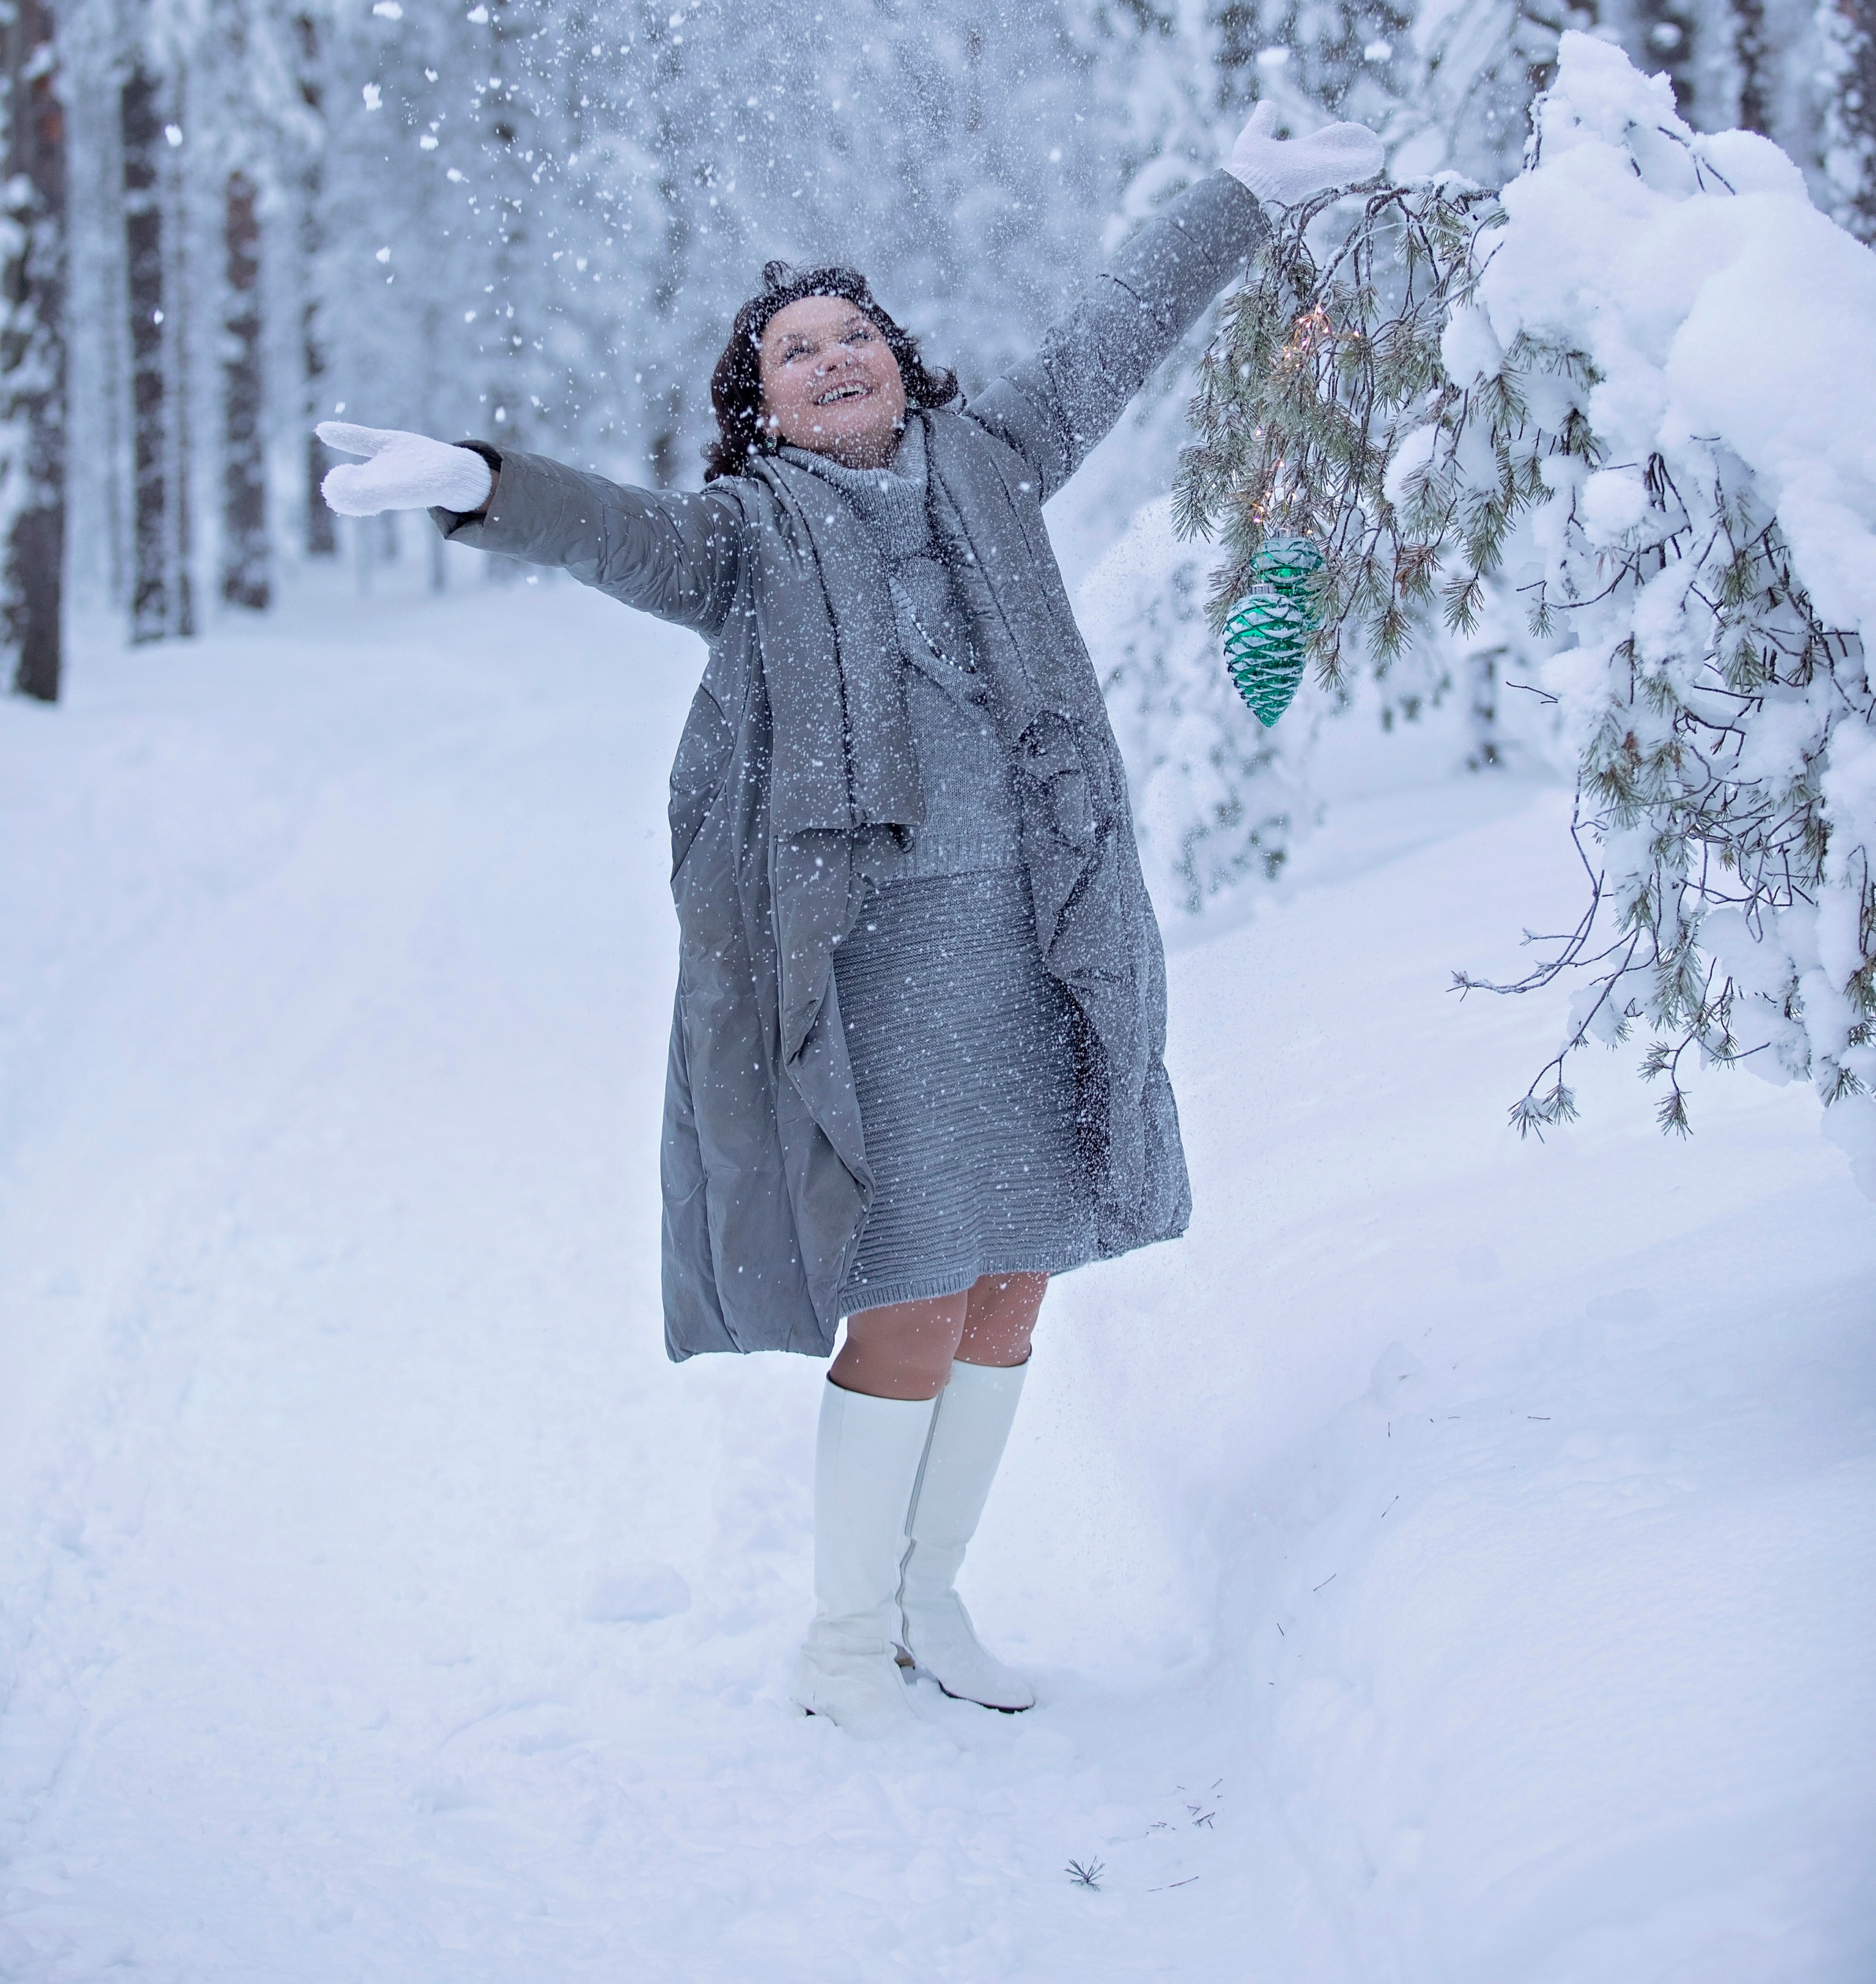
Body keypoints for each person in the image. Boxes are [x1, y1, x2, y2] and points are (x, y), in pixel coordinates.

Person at [318, 104, 1381, 1739]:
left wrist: (1238, 197)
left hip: (1039, 942)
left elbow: (1116, 327)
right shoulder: (741, 544)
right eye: (791, 350)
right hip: (875, 976)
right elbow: (612, 529)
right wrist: (482, 481)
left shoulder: (997, 463)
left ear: (901, 360)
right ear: (755, 407)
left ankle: (930, 1592)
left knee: (1018, 1275)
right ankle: (840, 1630)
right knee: (907, 1287)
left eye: (851, 333)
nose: (828, 358)